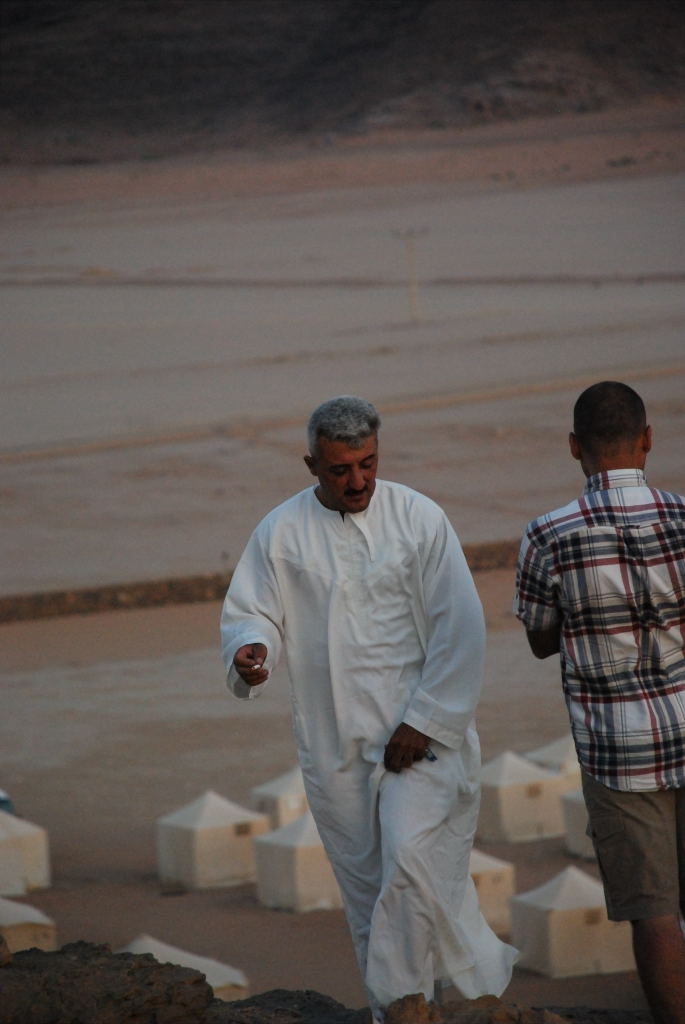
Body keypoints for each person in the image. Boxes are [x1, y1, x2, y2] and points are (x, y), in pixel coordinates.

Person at [221, 395, 516, 1021]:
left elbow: (461, 626)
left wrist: (426, 720)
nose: (357, 481)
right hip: (336, 744)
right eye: (339, 470)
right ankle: (403, 1012)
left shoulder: (419, 518)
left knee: (410, 859)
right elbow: (253, 609)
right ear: (311, 466)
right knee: (369, 896)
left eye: (368, 464)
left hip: (423, 739)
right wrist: (251, 647)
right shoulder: (280, 531)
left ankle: (414, 1008)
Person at [514, 381, 685, 1024]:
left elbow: (539, 640)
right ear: (647, 440)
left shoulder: (547, 535)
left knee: (654, 910)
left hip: (618, 753)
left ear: (573, 449)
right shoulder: (684, 516)